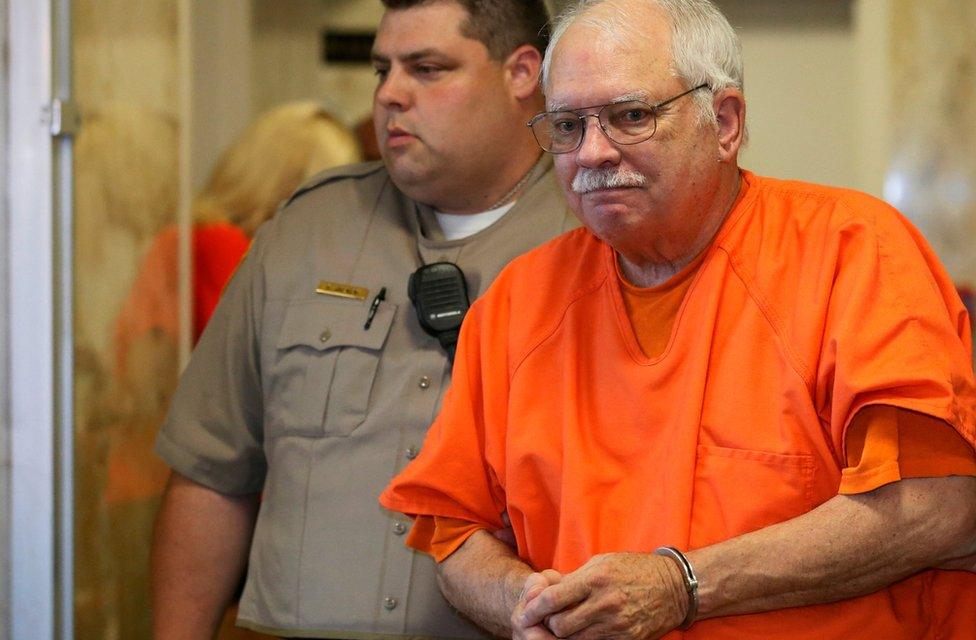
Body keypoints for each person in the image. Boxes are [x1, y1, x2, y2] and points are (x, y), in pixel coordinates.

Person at [380, 0, 976, 638]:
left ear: (723, 122)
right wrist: (523, 604)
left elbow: (936, 507)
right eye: (567, 127)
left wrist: (682, 583)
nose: (592, 153)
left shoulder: (853, 250)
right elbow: (454, 533)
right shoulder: (518, 300)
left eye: (631, 116)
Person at [150, 0, 577, 638]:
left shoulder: (598, 243)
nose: (390, 95)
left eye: (427, 69)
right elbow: (212, 476)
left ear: (523, 74)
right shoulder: (306, 234)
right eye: (383, 70)